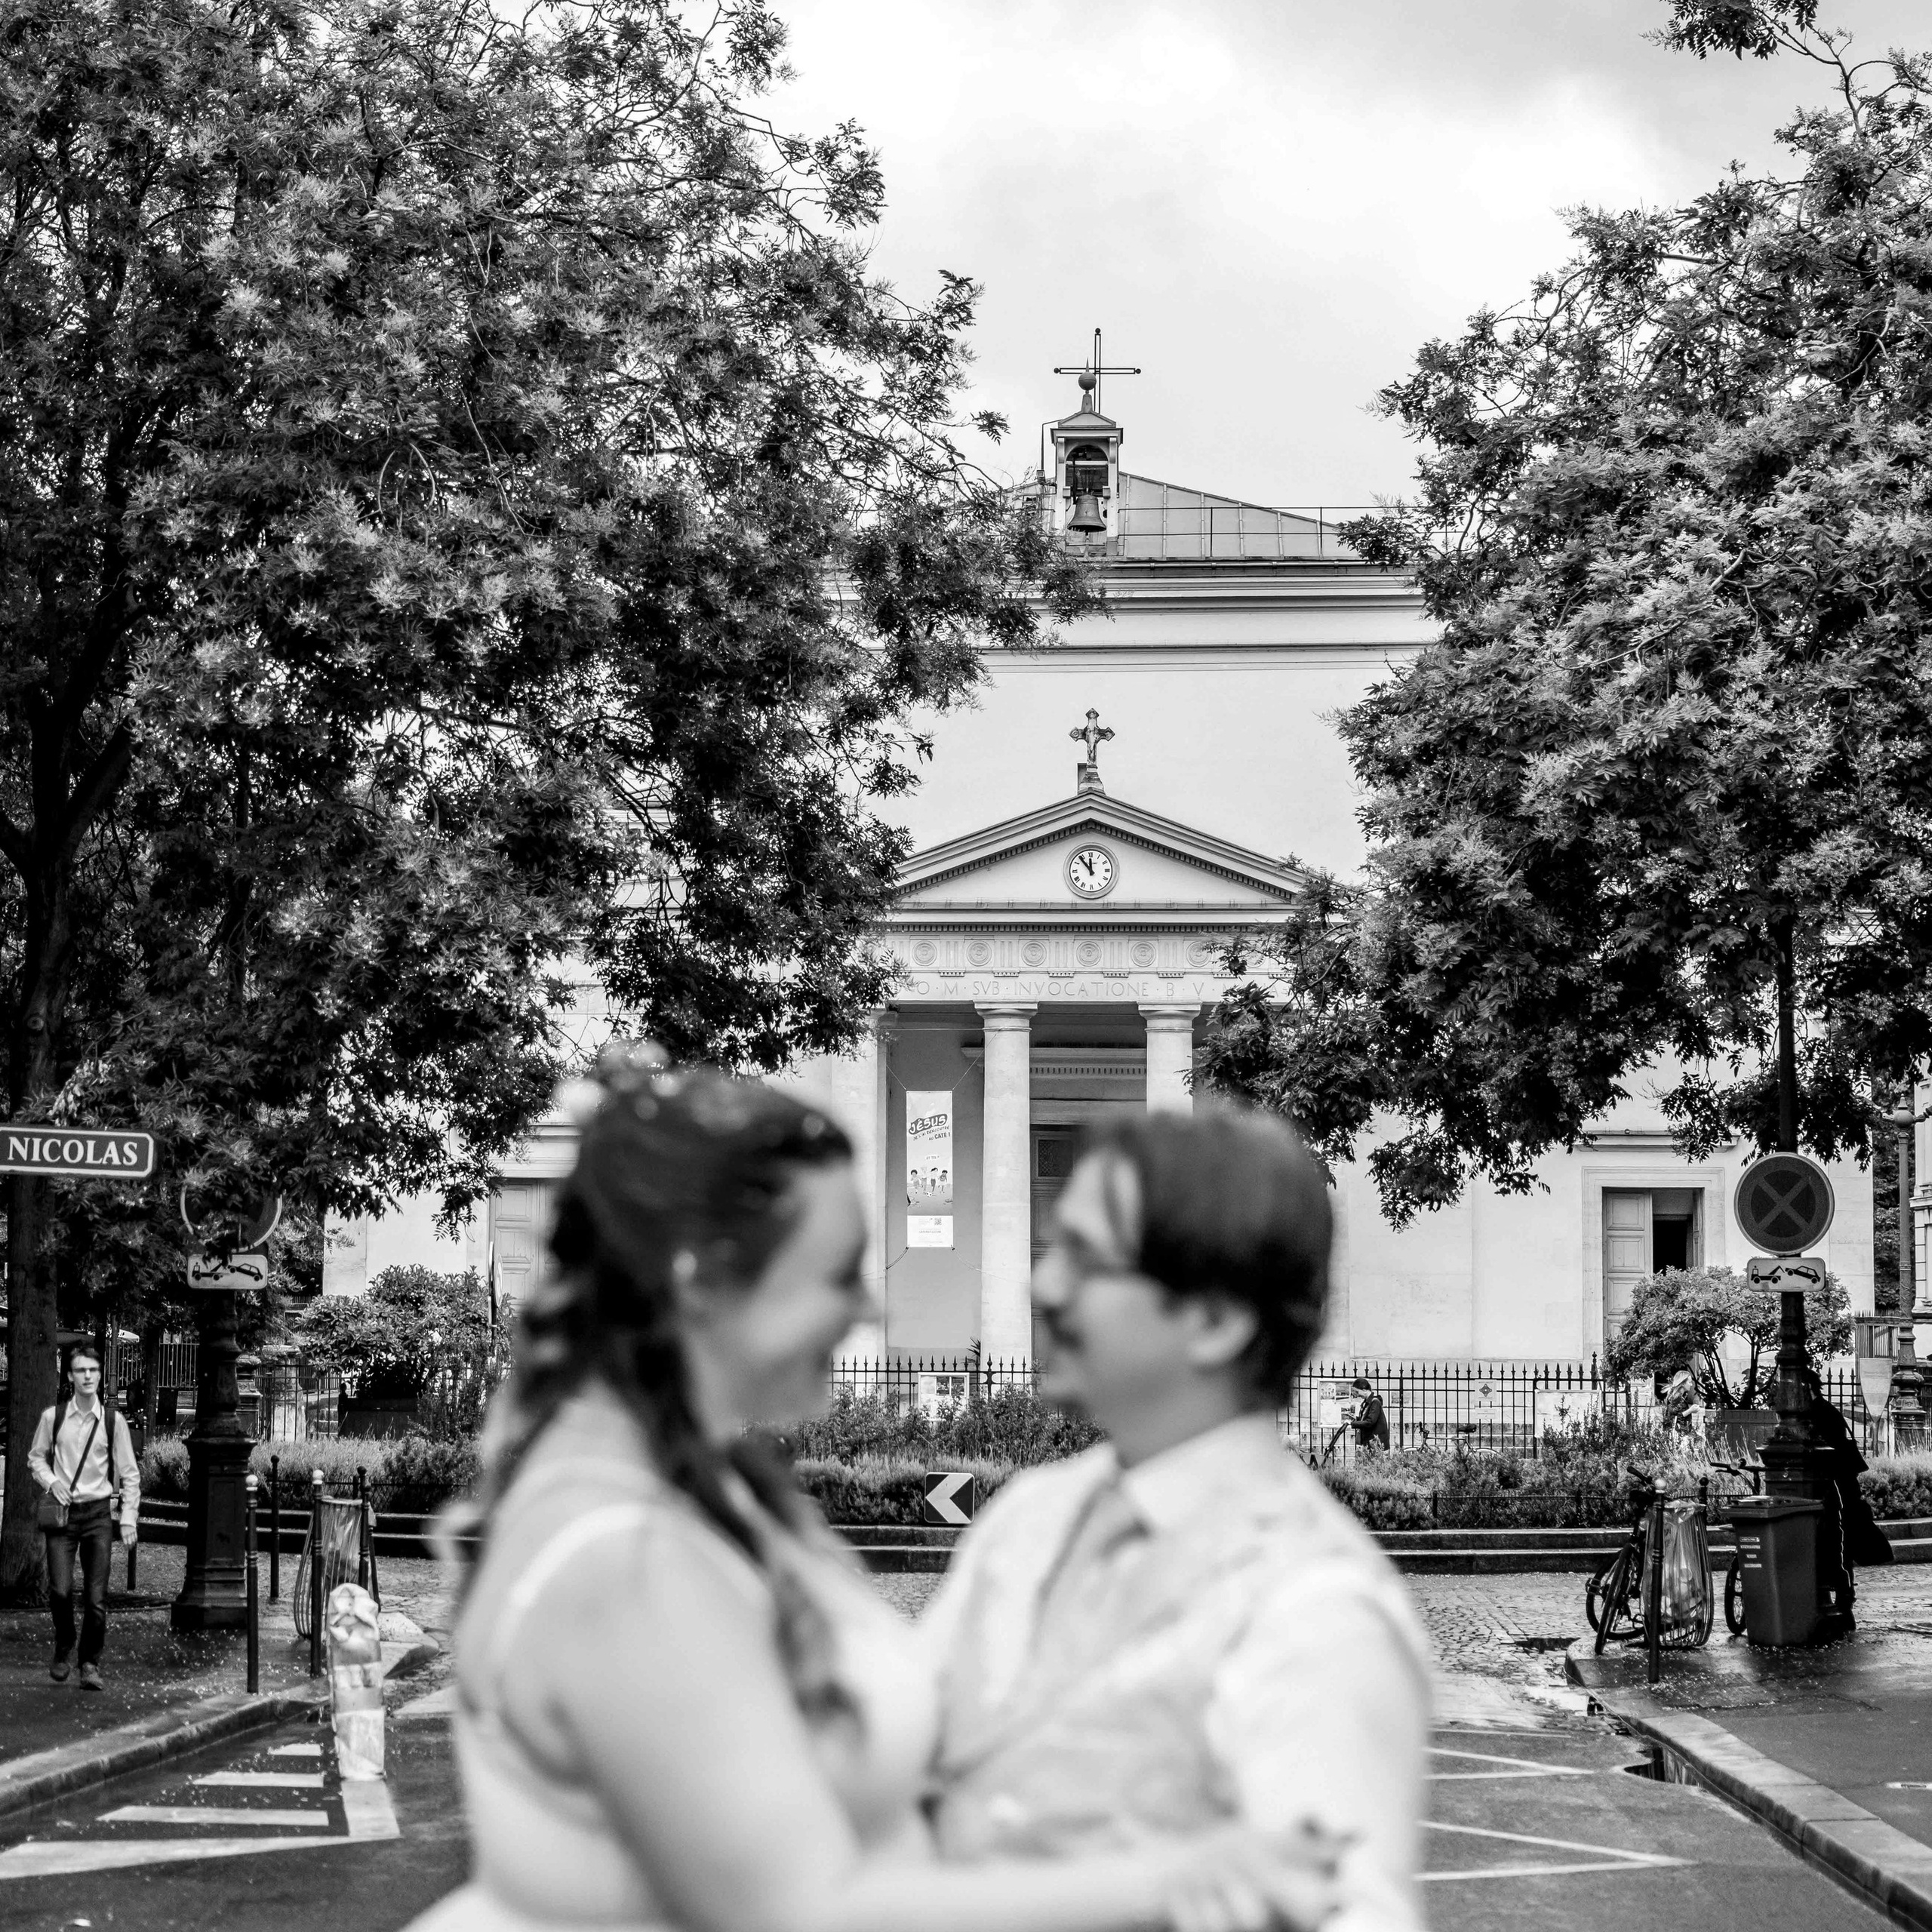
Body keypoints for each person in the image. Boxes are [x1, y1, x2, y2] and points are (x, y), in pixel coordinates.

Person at [409, 1044, 1340, 1932]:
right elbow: (805, 1916)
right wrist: (1177, 1877)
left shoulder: (695, 1490)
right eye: (839, 1273)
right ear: (701, 1279)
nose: (870, 1308)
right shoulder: (624, 1558)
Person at [924, 1108, 1432, 1932]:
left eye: (1087, 1259)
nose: (1042, 1285)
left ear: (1215, 1318)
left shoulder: (1316, 1612)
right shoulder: (1030, 1513)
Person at [28, 1343, 140, 1690]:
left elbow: (130, 1473)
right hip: (63, 1517)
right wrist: (51, 1481)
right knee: (59, 1591)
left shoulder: (112, 1421)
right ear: (71, 1376)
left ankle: (89, 1662)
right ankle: (64, 1644)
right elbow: (36, 1458)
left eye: (93, 1369)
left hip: (97, 1517)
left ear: (99, 1374)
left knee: (96, 1599)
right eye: (81, 1370)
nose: (88, 1376)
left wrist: (129, 1517)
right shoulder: (53, 1418)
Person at [1349, 1377, 1389, 1455]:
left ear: (1364, 1390)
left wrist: (1353, 1424)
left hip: (1376, 1444)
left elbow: (1370, 1422)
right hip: (1370, 1443)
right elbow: (1366, 1419)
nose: (1357, 1395)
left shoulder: (1375, 1402)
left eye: (1357, 1392)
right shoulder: (1367, 1403)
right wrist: (1356, 1419)